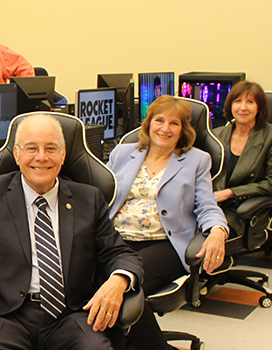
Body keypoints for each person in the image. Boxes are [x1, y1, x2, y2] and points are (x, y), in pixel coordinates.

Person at [0, 114, 143, 349]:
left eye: (51, 148)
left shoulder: (89, 198)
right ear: (16, 153)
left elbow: (121, 253)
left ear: (63, 154)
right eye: (31, 148)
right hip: (4, 316)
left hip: (71, 315)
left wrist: (119, 280)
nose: (41, 157)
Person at [107, 95, 228, 350]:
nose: (165, 128)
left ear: (183, 130)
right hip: (117, 241)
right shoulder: (123, 152)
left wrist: (218, 230)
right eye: (159, 120)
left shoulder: (197, 160)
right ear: (148, 124)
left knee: (125, 289)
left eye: (174, 123)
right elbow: (102, 196)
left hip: (165, 245)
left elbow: (207, 204)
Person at [212, 81, 272, 237]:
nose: (243, 107)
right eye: (238, 101)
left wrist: (230, 193)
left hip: (242, 209)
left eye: (250, 102)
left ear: (259, 107)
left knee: (205, 238)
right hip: (212, 205)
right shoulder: (217, 135)